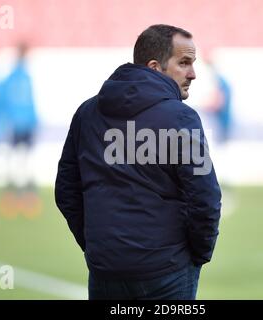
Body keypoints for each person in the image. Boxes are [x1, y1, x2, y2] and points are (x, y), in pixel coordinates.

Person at [55, 24, 222, 300]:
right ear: (155, 67)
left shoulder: (87, 113)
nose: (193, 73)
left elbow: (66, 191)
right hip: (167, 269)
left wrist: (98, 246)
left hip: (105, 269)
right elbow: (205, 197)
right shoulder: (181, 118)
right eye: (183, 63)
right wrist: (198, 254)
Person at [0, 43, 41, 218]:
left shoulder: (11, 76)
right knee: (25, 161)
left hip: (15, 124)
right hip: (25, 124)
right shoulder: (25, 76)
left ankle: (12, 200)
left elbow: (4, 100)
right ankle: (26, 200)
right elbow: (30, 102)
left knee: (15, 160)